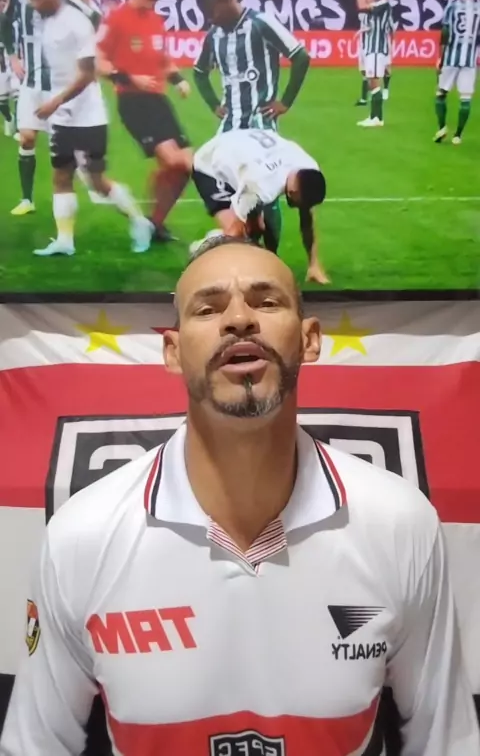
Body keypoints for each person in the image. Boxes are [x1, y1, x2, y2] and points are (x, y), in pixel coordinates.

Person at [2, 236, 479, 756]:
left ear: (310, 339)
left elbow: (445, 740)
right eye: (208, 308)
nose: (239, 320)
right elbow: (35, 745)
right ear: (172, 351)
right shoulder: (81, 537)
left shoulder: (399, 523)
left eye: (266, 301)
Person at [23, 0, 153, 257]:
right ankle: (64, 240)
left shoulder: (77, 23)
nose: (33, 3)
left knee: (96, 180)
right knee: (61, 175)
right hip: (61, 115)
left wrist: (56, 101)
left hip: (88, 115)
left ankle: (139, 221)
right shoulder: (47, 22)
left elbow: (87, 74)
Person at [193, 0, 311, 254]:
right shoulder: (214, 35)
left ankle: (270, 255)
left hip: (260, 124)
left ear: (224, 1)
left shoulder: (260, 23)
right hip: (230, 126)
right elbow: (199, 73)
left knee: (265, 194)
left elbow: (300, 56)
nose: (211, 20)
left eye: (211, 13)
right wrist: (214, 104)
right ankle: (246, 247)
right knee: (229, 188)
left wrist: (285, 102)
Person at [96, 0, 192, 243]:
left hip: (159, 101)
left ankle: (155, 224)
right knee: (176, 160)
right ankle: (148, 220)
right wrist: (128, 78)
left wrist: (178, 80)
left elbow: (163, 59)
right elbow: (98, 61)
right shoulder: (115, 19)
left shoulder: (156, 20)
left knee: (184, 168)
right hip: (133, 102)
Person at [2, 0, 101, 217]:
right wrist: (13, 56)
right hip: (31, 82)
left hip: (59, 84)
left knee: (67, 144)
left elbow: (95, 18)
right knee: (27, 137)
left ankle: (92, 181)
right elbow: (4, 24)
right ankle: (27, 199)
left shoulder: (65, 1)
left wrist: (83, 57)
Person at [191, 127, 329, 284]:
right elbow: (238, 226)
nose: (299, 207)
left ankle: (260, 266)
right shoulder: (262, 185)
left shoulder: (308, 167)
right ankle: (202, 248)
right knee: (236, 234)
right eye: (299, 203)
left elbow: (307, 218)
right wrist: (249, 227)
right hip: (211, 164)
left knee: (256, 228)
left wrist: (314, 264)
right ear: (293, 192)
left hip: (243, 149)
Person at [434, 0, 480, 145]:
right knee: (465, 98)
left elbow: (445, 32)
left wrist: (440, 56)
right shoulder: (479, 8)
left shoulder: (452, 6)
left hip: (451, 57)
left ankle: (442, 127)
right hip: (469, 59)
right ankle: (458, 135)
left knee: (441, 93)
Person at [356, 0, 393, 128]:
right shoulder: (378, 4)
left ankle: (376, 118)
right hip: (372, 48)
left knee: (375, 82)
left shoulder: (384, 4)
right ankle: (375, 116)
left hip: (377, 48)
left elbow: (362, 6)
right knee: (372, 82)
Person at [0, 0, 19, 138]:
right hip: (1, 62)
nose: (2, 3)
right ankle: (8, 118)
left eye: (5, 1)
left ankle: (18, 128)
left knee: (18, 94)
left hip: (16, 60)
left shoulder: (17, 20)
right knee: (1, 98)